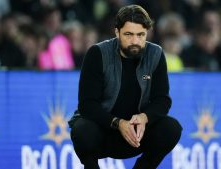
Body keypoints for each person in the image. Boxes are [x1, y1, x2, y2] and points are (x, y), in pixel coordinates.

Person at [68, 5, 182, 169]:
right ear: (117, 32)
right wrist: (118, 123)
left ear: (147, 33)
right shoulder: (97, 53)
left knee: (171, 128)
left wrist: (144, 118)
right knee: (82, 130)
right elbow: (87, 105)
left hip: (136, 133)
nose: (135, 41)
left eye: (140, 35)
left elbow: (162, 100)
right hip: (103, 131)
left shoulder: (155, 54)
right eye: (128, 34)